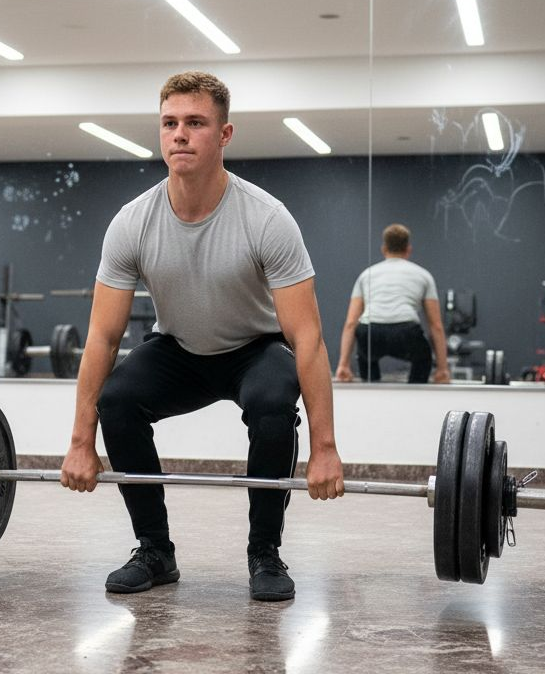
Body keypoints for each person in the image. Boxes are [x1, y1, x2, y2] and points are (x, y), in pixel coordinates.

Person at [59, 71, 345, 603]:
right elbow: (101, 336)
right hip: (180, 348)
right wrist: (81, 441)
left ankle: (265, 552)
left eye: (195, 123)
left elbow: (307, 339)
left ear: (224, 134)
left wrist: (325, 449)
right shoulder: (132, 223)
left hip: (255, 349)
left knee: (271, 402)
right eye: (169, 123)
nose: (180, 135)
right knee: (117, 399)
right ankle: (154, 550)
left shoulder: (266, 219)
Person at [334, 224, 450, 384]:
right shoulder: (423, 275)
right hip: (406, 334)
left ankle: (371, 390)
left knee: (365, 355)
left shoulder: (366, 275)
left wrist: (343, 365)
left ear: (384, 249)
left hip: (371, 332)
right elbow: (435, 325)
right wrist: (442, 369)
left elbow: (351, 323)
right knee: (423, 359)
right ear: (408, 249)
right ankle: (416, 394)